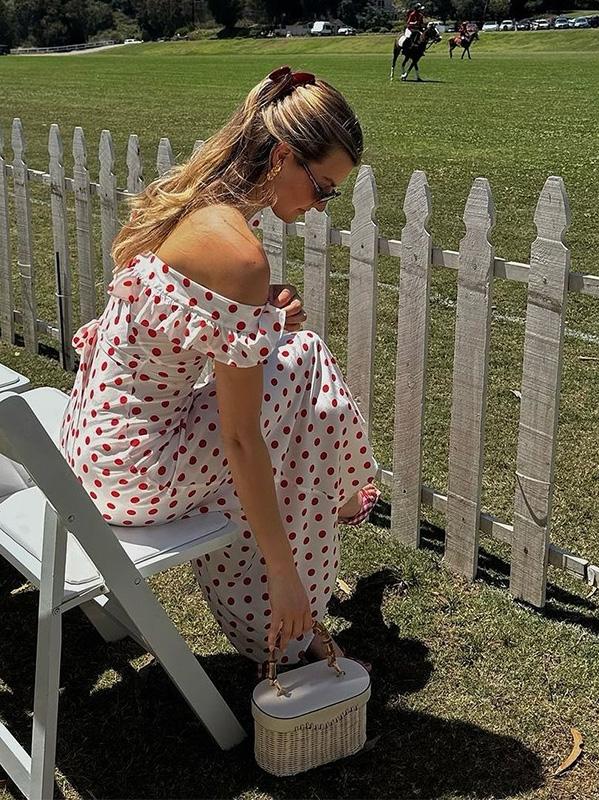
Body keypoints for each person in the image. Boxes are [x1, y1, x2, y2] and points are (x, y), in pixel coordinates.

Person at [58, 65, 380, 679]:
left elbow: (180, 321)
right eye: (323, 188)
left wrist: (260, 311)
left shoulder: (196, 201)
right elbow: (238, 439)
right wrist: (283, 573)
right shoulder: (238, 254)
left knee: (297, 391)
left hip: (91, 443)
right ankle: (307, 576)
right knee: (302, 385)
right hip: (134, 474)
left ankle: (338, 497)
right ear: (283, 156)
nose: (319, 208)